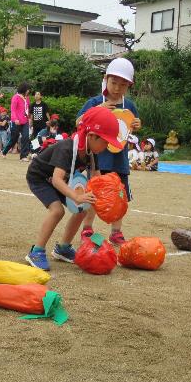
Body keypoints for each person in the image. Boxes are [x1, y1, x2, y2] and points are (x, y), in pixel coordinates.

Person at [25, 108, 124, 271]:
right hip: (41, 177)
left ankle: (63, 248)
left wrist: (110, 197)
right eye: (105, 142)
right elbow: (56, 179)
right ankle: (36, 251)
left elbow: (98, 180)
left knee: (82, 210)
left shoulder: (92, 151)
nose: (106, 146)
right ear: (92, 135)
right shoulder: (67, 148)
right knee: (57, 211)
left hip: (62, 179)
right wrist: (76, 196)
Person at [76, 58, 141, 245]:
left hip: (119, 160)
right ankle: (87, 229)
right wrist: (97, 110)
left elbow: (130, 126)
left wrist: (137, 124)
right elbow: (78, 122)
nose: (118, 88)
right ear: (106, 79)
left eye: (123, 85)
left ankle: (116, 232)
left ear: (129, 85)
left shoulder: (129, 106)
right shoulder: (96, 101)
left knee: (121, 196)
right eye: (114, 83)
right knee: (95, 195)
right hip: (98, 160)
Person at [2, 82, 31, 161]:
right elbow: (13, 110)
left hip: (25, 121)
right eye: (28, 89)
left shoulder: (27, 98)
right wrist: (15, 119)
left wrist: (29, 118)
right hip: (16, 121)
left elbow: (28, 109)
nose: (28, 91)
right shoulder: (16, 97)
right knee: (14, 138)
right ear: (24, 89)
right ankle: (4, 151)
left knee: (25, 137)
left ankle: (23, 156)